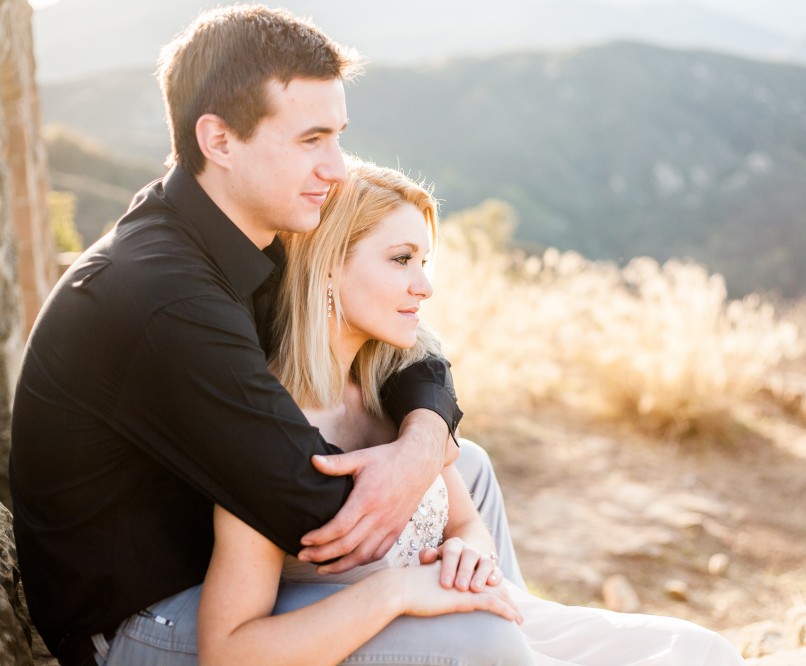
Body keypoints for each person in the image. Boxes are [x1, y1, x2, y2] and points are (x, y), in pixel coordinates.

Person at [9, 5, 524, 665]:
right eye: (311, 140)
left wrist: (424, 442)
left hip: (221, 553)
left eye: (338, 136)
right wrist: (411, 574)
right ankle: (488, 638)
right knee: (462, 618)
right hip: (147, 619)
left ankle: (510, 627)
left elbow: (414, 348)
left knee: (466, 469)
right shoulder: (164, 298)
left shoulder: (248, 229)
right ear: (219, 140)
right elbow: (320, 514)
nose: (338, 168)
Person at [198, 157, 745, 664]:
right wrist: (398, 590)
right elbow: (229, 650)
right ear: (329, 270)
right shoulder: (272, 425)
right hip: (407, 644)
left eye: (425, 261)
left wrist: (469, 553)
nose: (425, 285)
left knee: (699, 649)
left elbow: (464, 522)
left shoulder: (392, 394)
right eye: (401, 260)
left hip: (487, 622)